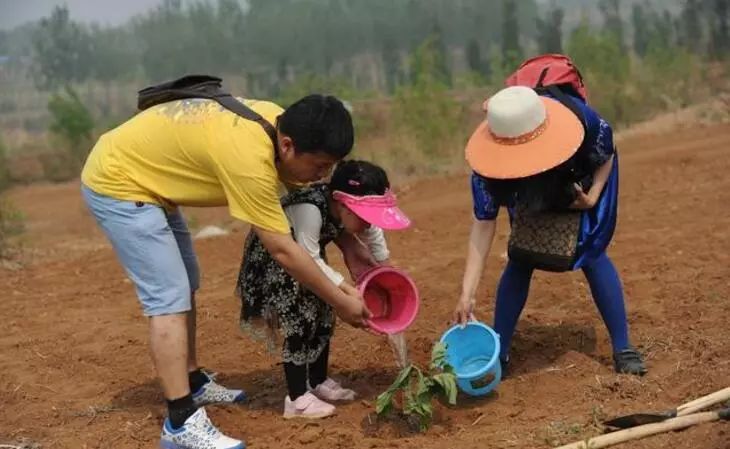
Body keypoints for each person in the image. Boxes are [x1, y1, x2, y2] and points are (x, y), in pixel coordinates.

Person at [81, 93, 372, 449]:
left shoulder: (285, 127)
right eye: (320, 166)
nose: (323, 175)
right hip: (119, 181)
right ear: (287, 146)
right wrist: (341, 302)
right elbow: (283, 249)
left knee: (186, 279)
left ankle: (192, 380)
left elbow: (308, 203)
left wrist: (350, 247)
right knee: (168, 297)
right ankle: (179, 423)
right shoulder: (249, 159)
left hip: (149, 179)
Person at [453, 85, 647, 377]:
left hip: (575, 176)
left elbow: (607, 152)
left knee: (591, 250)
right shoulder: (488, 172)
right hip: (526, 188)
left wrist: (592, 196)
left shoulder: (585, 124)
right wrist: (466, 293)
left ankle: (623, 348)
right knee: (522, 255)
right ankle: (500, 352)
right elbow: (483, 225)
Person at [236, 160, 410, 419]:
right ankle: (297, 399)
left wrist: (386, 270)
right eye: (364, 218)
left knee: (324, 315)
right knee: (301, 321)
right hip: (277, 264)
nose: (367, 224)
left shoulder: (345, 211)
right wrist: (344, 290)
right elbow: (307, 256)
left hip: (307, 262)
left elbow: (373, 236)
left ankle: (317, 380)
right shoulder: (310, 208)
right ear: (342, 204)